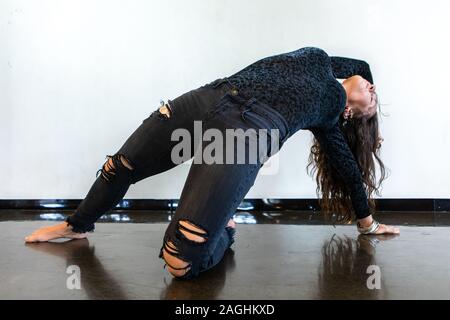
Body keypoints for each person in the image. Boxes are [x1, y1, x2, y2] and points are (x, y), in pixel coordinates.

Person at [24, 46, 400, 280]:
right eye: (371, 85)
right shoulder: (321, 58)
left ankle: (224, 231)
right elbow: (363, 65)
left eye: (373, 100)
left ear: (352, 115)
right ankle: (78, 224)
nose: (372, 88)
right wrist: (369, 93)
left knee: (179, 262)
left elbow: (350, 174)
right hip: (211, 97)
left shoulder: (332, 114)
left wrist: (367, 224)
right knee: (120, 165)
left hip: (250, 131)